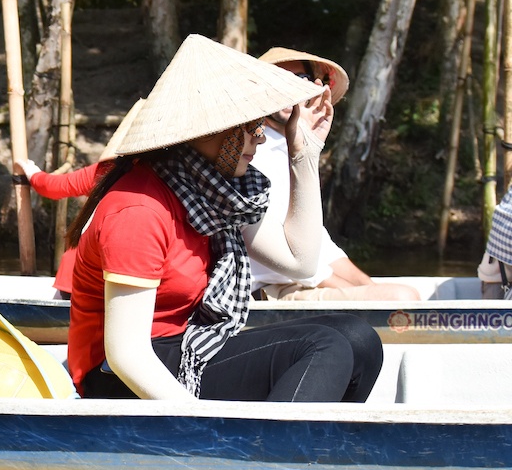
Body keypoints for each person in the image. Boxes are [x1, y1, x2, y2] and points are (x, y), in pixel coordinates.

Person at [67, 35, 383, 403]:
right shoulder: (139, 209)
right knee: (323, 346)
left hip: (186, 343)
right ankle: (267, 458)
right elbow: (127, 356)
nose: (260, 139)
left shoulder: (215, 194)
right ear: (210, 131)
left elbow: (299, 262)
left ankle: (310, 452)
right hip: (117, 376)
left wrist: (305, 156)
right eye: (249, 127)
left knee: (358, 338)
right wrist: (203, 426)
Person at [249, 47, 419, 302]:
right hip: (272, 290)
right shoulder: (253, 153)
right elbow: (298, 263)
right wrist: (365, 294)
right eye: (278, 81)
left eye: (300, 80)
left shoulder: (291, 147)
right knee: (402, 298)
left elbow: (321, 246)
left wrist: (367, 286)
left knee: (396, 295)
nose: (289, 89)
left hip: (299, 279)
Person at [14, 100, 144, 295]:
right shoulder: (161, 181)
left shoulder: (108, 170)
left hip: (82, 276)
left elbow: (53, 187)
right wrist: (33, 173)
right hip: (100, 279)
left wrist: (33, 173)